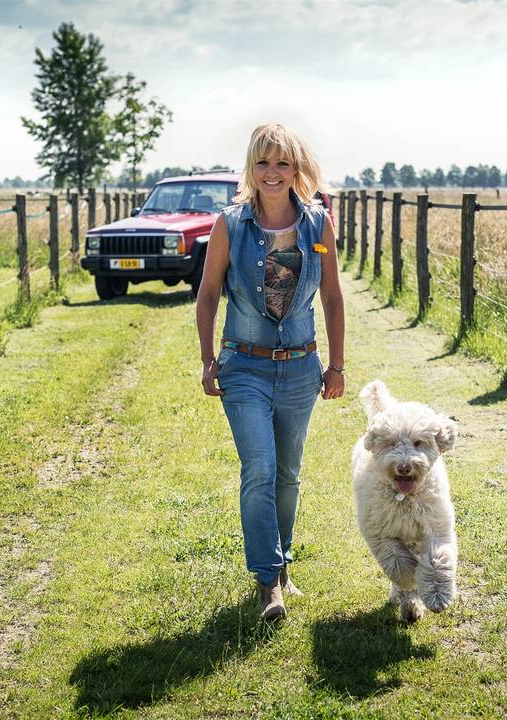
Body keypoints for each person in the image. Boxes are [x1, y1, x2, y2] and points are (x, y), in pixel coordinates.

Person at [195, 123, 345, 621]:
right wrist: (206, 359)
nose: (273, 172)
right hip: (243, 367)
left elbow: (331, 296)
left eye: (282, 163)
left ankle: (282, 567)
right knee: (258, 468)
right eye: (263, 163)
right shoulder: (230, 225)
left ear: (297, 168)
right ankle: (268, 583)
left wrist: (336, 365)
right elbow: (209, 295)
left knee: (287, 473)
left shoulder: (318, 224)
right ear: (251, 169)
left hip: (301, 368)